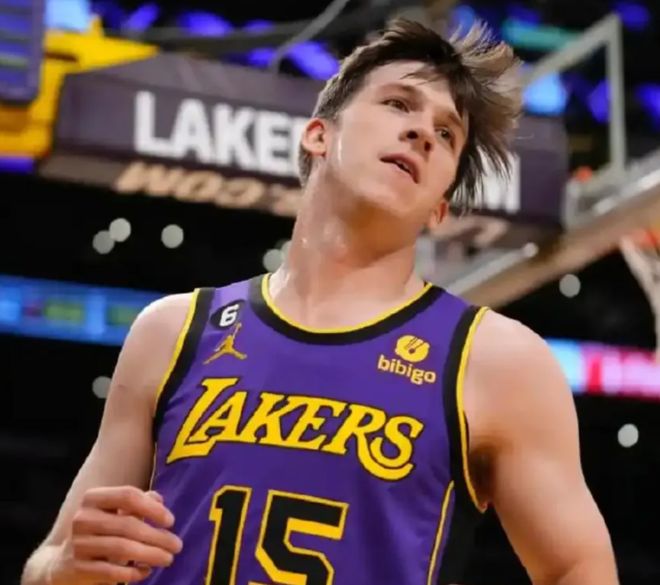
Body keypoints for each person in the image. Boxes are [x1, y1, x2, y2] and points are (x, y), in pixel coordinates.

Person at [22, 18, 619, 585]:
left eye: (446, 134)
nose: (421, 132)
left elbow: (579, 567)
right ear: (318, 135)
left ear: (440, 207)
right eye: (398, 104)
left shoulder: (496, 361)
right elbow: (47, 564)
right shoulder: (173, 331)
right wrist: (67, 566)